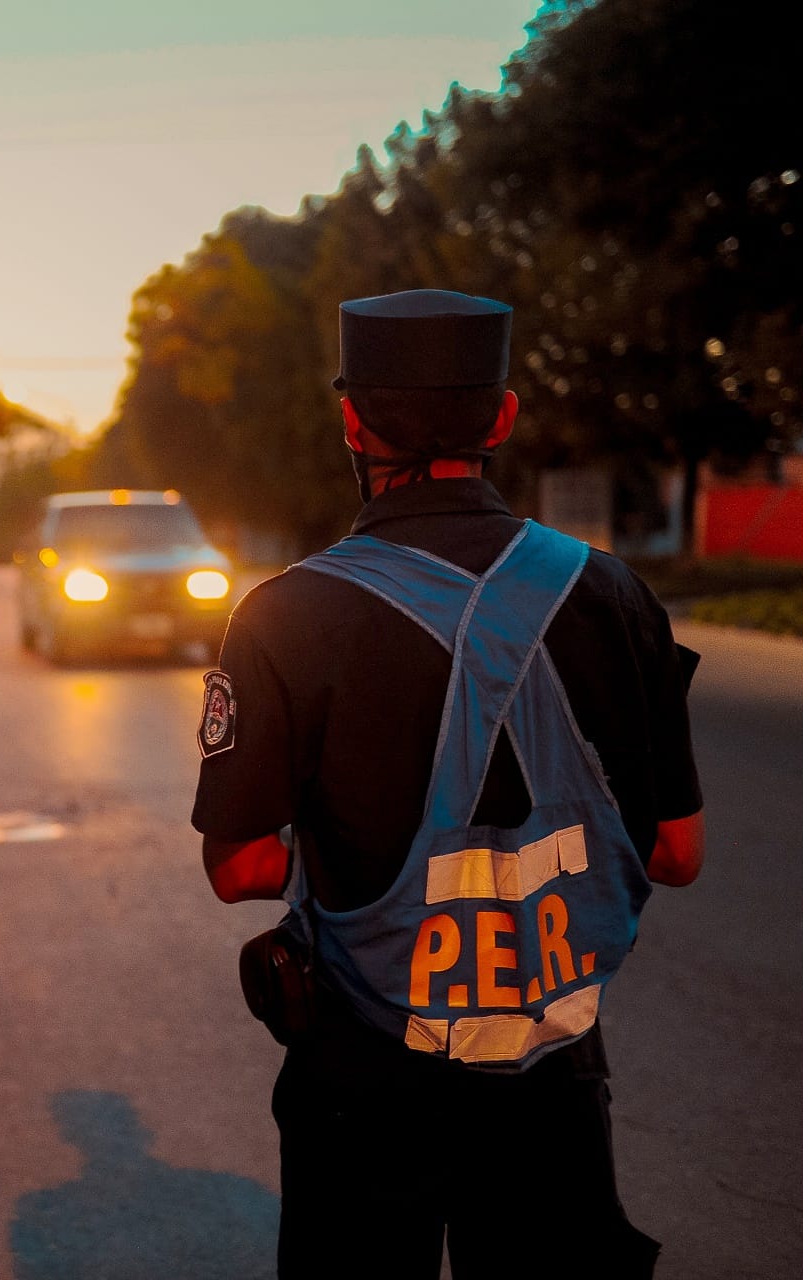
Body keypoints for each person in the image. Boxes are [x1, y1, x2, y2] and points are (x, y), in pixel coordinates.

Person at [194, 290, 705, 1278]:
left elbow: (242, 865)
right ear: (503, 416)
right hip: (553, 1078)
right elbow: (676, 853)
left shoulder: (283, 615)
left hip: (363, 1079)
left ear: (353, 421)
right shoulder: (612, 594)